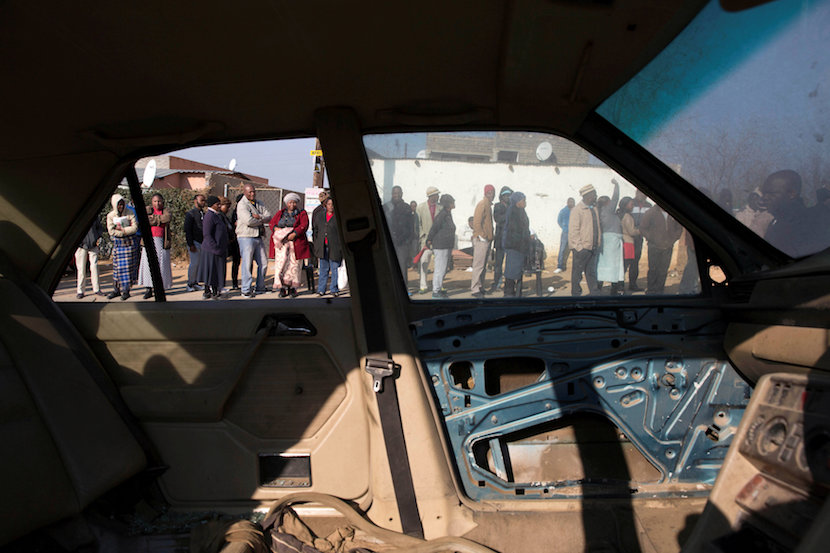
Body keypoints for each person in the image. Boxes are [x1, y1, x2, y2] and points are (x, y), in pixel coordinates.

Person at [761, 170, 816, 257]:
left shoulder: (804, 224)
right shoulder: (779, 219)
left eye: (771, 193)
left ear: (791, 194)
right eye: (764, 193)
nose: (764, 198)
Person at [270, 192, 310, 297]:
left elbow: (304, 225)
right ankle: (282, 288)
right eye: (290, 202)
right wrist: (276, 229)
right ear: (286, 203)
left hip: (296, 244)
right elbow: (272, 223)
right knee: (281, 265)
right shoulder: (280, 213)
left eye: (294, 202)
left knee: (294, 266)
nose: (292, 205)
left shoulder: (302, 213)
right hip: (282, 245)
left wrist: (295, 233)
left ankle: (293, 288)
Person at [236, 184, 271, 297]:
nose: (252, 194)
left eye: (253, 191)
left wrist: (259, 216)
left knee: (264, 262)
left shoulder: (259, 203)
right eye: (250, 192)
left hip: (257, 236)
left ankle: (260, 287)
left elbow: (269, 216)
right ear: (245, 192)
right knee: (247, 263)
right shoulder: (242, 205)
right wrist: (262, 220)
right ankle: (246, 289)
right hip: (246, 236)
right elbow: (249, 221)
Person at [639, 204, 682, 294]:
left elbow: (679, 228)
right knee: (653, 269)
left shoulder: (673, 213)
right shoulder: (651, 212)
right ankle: (651, 289)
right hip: (654, 246)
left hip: (668, 246)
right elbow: (642, 228)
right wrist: (651, 238)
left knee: (663, 269)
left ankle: (659, 290)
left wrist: (672, 239)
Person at [137, 193, 173, 299]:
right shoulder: (148, 210)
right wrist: (158, 219)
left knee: (162, 266)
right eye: (155, 201)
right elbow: (146, 220)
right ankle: (148, 289)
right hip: (150, 240)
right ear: (152, 202)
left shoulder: (166, 211)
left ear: (163, 202)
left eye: (159, 201)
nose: (157, 203)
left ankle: (159, 288)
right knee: (148, 265)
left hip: (162, 241)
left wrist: (154, 219)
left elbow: (167, 218)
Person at [569, 184, 600, 296]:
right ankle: (576, 295)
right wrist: (579, 247)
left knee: (591, 272)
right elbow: (573, 231)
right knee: (577, 273)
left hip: (592, 247)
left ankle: (594, 293)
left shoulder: (594, 209)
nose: (596, 196)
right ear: (587, 195)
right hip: (581, 249)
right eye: (594, 194)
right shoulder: (577, 210)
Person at [105, 193, 138, 300]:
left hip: (129, 245)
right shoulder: (110, 216)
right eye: (118, 205)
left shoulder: (130, 212)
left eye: (122, 204)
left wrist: (123, 231)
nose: (121, 207)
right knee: (117, 269)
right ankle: (116, 290)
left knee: (128, 269)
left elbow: (134, 227)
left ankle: (126, 290)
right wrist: (120, 233)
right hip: (118, 245)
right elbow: (111, 231)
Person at [596, 181, 624, 295]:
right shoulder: (608, 209)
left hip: (604, 240)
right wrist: (616, 185)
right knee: (614, 265)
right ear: (607, 203)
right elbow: (616, 197)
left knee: (602, 265)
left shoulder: (599, 211)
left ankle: (598, 288)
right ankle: (614, 289)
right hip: (612, 240)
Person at [426, 194, 455, 299]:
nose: (454, 203)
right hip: (441, 246)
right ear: (448, 204)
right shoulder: (442, 215)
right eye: (452, 201)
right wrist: (429, 239)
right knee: (439, 269)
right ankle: (435, 291)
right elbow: (434, 227)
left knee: (443, 269)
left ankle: (439, 288)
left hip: (446, 245)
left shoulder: (448, 214)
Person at [502, 191, 530, 297]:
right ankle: (509, 292)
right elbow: (514, 230)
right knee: (511, 270)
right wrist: (523, 239)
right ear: (517, 202)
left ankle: (517, 292)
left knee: (517, 271)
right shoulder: (513, 211)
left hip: (520, 246)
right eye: (523, 200)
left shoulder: (521, 211)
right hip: (514, 245)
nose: (525, 202)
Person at [313, 197, 342, 296]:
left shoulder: (339, 216)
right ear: (326, 205)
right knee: (323, 269)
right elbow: (315, 230)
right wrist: (316, 243)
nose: (331, 206)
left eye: (333, 204)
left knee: (335, 269)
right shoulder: (320, 216)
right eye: (329, 204)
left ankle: (334, 289)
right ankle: (321, 289)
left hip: (335, 246)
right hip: (322, 246)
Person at [383, 185, 414, 281]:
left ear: (402, 194)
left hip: (402, 243)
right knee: (388, 267)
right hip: (389, 243)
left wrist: (408, 241)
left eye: (398, 193)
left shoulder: (406, 207)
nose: (397, 195)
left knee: (402, 267)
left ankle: (403, 289)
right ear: (392, 194)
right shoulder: (386, 207)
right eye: (395, 193)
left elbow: (411, 226)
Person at [201, 196, 229, 299]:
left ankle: (214, 290)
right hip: (211, 249)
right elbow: (207, 234)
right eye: (218, 204)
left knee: (215, 271)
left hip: (217, 249)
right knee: (211, 271)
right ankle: (210, 291)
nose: (219, 206)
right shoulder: (209, 216)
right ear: (212, 205)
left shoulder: (216, 215)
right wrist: (215, 248)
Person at [471, 184, 495, 298]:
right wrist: (483, 235)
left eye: (493, 193)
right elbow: (476, 222)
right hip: (481, 240)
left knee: (483, 265)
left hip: (486, 239)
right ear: (485, 193)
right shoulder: (482, 204)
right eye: (489, 193)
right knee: (478, 265)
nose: (492, 195)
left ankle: (480, 286)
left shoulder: (488, 205)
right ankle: (475, 288)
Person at [416, 186, 442, 294]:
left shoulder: (441, 208)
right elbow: (418, 224)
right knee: (424, 262)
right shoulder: (420, 208)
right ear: (431, 196)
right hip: (425, 240)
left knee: (439, 264)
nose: (437, 196)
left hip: (438, 240)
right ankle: (423, 285)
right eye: (436, 195)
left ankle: (439, 285)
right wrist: (423, 237)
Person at [74, 218, 104, 299]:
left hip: (93, 245)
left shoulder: (95, 217)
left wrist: (97, 238)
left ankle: (97, 289)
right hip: (81, 246)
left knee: (94, 267)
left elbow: (100, 228)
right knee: (81, 269)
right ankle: (80, 291)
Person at [491, 186, 513, 291]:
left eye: (509, 195)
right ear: (501, 196)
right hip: (500, 239)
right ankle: (497, 283)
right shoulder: (498, 206)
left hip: (510, 239)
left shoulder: (512, 206)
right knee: (498, 264)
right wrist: (508, 214)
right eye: (505, 195)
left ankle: (508, 283)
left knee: (510, 263)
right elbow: (497, 219)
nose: (507, 197)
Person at [629, 190, 651, 291]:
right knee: (625, 261)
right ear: (636, 193)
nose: (642, 195)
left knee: (635, 261)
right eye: (640, 193)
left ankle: (632, 284)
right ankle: (618, 286)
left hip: (639, 238)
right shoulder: (630, 203)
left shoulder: (648, 206)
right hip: (628, 237)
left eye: (644, 194)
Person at [184, 194, 206, 292]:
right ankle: (190, 283)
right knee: (194, 263)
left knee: (199, 264)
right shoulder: (190, 214)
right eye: (201, 200)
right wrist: (191, 244)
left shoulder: (203, 213)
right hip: (194, 242)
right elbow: (187, 230)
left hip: (202, 242)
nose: (203, 202)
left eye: (204, 200)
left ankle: (195, 282)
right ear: (195, 201)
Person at [619, 196, 640, 291]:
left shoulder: (619, 214)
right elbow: (631, 231)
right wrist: (640, 231)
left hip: (622, 242)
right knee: (626, 265)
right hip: (628, 243)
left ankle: (620, 286)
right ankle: (621, 287)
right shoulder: (627, 216)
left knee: (622, 266)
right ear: (626, 205)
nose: (632, 206)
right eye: (631, 204)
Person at [225, 195, 242, 290]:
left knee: (237, 262)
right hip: (232, 241)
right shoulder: (234, 213)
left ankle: (235, 283)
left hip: (238, 240)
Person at [555, 198, 575, 273]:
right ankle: (560, 266)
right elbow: (559, 220)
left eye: (573, 202)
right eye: (570, 202)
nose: (571, 203)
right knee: (562, 249)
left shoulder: (576, 211)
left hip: (574, 233)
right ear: (567, 203)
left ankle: (577, 267)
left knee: (576, 250)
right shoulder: (563, 211)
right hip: (565, 233)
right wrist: (564, 227)